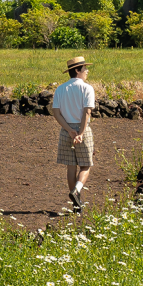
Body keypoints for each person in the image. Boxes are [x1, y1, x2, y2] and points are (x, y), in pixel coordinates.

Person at [50, 55, 95, 211]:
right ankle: (76, 191)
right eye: (84, 68)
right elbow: (86, 112)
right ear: (78, 70)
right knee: (86, 165)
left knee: (71, 167)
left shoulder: (60, 89)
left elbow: (56, 112)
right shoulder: (87, 88)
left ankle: (76, 202)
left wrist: (69, 130)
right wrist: (80, 133)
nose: (87, 71)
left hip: (66, 130)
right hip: (83, 129)